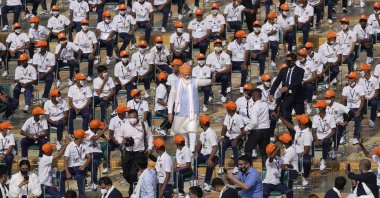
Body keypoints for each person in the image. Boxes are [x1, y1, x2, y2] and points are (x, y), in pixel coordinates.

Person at [167, 64, 211, 152]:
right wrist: (169, 112)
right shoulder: (176, 83)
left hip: (192, 112)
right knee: (182, 131)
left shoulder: (195, 81)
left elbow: (206, 82)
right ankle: (186, 148)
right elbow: (171, 98)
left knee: (192, 130)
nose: (187, 76)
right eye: (185, 75)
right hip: (180, 112)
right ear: (181, 74)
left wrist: (212, 78)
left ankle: (192, 150)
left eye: (188, 74)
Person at [116, 109, 153, 196]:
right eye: (130, 117)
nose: (132, 119)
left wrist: (150, 148)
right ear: (128, 117)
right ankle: (137, 186)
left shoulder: (144, 124)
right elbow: (117, 136)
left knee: (133, 174)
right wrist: (123, 140)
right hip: (127, 152)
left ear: (137, 117)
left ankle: (132, 194)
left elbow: (149, 137)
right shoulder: (124, 125)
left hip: (139, 152)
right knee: (126, 174)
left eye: (134, 117)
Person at [269, 53, 305, 136]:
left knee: (301, 117)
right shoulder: (283, 70)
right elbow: (276, 82)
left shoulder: (300, 71)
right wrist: (271, 93)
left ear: (294, 61)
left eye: (290, 61)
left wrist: (288, 87)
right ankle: (293, 134)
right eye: (287, 60)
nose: (288, 62)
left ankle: (306, 131)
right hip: (287, 97)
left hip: (297, 98)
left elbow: (298, 82)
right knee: (285, 116)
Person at [279, 114, 312, 186]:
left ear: (302, 123)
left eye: (298, 121)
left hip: (303, 155)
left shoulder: (307, 134)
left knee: (305, 161)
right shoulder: (299, 129)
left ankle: (305, 177)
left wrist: (296, 156)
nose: (297, 122)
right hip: (294, 153)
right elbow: (289, 125)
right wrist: (280, 117)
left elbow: (306, 151)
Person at [60, 129, 92, 198]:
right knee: (61, 175)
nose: (84, 138)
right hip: (71, 167)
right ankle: (62, 196)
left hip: (81, 166)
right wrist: (67, 172)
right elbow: (65, 160)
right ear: (80, 138)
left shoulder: (85, 144)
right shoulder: (70, 146)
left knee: (79, 176)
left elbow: (89, 157)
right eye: (83, 137)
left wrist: (84, 166)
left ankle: (81, 196)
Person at [244, 88, 270, 167]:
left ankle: (250, 169)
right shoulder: (266, 104)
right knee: (264, 152)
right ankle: (265, 170)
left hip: (257, 131)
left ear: (253, 96)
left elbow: (254, 122)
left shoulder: (254, 107)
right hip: (266, 130)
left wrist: (246, 129)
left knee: (248, 149)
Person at [219, 101, 246, 175]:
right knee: (221, 145)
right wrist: (222, 136)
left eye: (227, 108)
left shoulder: (239, 118)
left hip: (237, 137)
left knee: (235, 146)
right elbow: (224, 127)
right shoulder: (227, 116)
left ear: (230, 109)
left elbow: (243, 132)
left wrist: (236, 139)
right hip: (228, 136)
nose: (226, 109)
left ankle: (236, 167)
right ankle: (221, 166)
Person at [194, 115, 219, 192]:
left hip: (212, 155)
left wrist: (210, 159)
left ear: (202, 124)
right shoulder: (202, 133)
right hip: (203, 154)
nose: (199, 123)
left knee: (209, 163)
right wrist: (196, 152)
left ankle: (207, 183)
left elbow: (215, 147)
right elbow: (199, 143)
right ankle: (195, 181)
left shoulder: (211, 133)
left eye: (200, 122)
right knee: (194, 161)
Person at [312, 100, 336, 171]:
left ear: (321, 108)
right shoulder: (315, 117)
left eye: (317, 107)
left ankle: (323, 160)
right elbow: (313, 130)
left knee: (325, 141)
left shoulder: (330, 117)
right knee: (309, 140)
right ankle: (311, 159)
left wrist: (324, 139)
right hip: (318, 137)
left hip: (327, 137)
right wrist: (316, 139)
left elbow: (333, 131)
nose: (316, 109)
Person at [342, 72, 365, 144]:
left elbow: (362, 100)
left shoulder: (360, 87)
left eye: (350, 78)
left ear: (354, 79)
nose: (348, 79)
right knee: (341, 117)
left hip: (357, 107)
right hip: (348, 108)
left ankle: (356, 137)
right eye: (348, 78)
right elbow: (343, 100)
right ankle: (343, 135)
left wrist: (359, 110)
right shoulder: (345, 88)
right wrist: (343, 109)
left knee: (357, 118)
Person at [84, 119, 108, 189]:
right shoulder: (87, 133)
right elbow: (95, 138)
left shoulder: (96, 131)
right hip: (89, 153)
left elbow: (101, 136)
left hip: (97, 153)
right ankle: (93, 181)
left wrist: (104, 136)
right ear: (95, 128)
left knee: (94, 161)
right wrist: (104, 129)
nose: (99, 128)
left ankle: (94, 181)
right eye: (98, 127)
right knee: (93, 162)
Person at [105, 104, 129, 174]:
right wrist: (114, 140)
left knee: (123, 148)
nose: (126, 112)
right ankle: (106, 166)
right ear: (120, 113)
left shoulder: (127, 119)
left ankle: (123, 167)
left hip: (123, 140)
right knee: (106, 147)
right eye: (125, 111)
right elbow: (110, 134)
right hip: (114, 140)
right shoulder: (113, 120)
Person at [357, 63, 379, 128]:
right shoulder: (361, 80)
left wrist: (371, 98)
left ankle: (372, 120)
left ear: (366, 71)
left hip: (372, 98)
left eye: (361, 70)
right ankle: (359, 120)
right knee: (359, 104)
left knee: (374, 104)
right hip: (363, 98)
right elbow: (358, 90)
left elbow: (377, 92)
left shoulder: (374, 80)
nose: (360, 72)